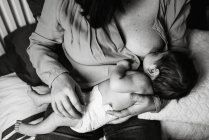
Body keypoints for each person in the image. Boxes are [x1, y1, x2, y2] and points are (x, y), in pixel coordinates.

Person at [26, 0, 192, 139]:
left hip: (130, 108)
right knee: (53, 123)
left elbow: (178, 62)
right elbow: (39, 44)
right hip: (75, 95)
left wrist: (157, 101)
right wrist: (58, 78)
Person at [16, 48, 197, 137]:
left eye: (157, 53)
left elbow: (117, 84)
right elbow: (123, 115)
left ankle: (33, 130)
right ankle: (40, 98)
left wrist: (121, 67)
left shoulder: (141, 80)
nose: (152, 52)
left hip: (87, 114)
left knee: (56, 118)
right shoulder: (148, 91)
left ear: (154, 71)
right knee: (72, 94)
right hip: (95, 103)